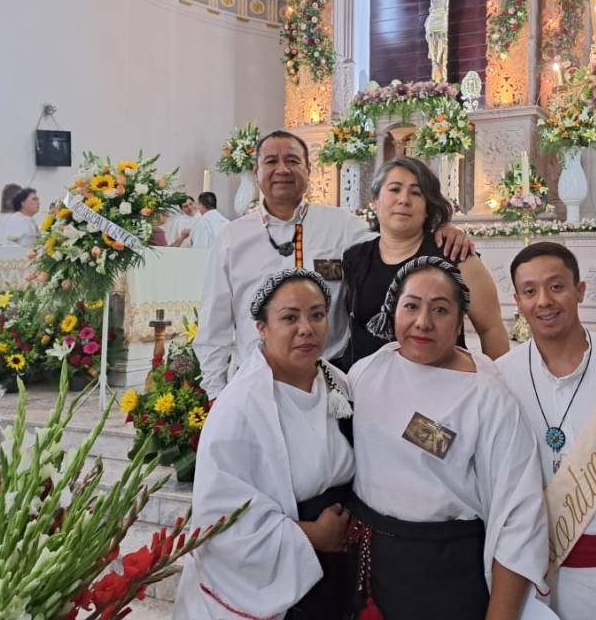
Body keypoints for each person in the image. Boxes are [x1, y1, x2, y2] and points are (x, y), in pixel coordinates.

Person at [195, 130, 473, 399]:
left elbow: (398, 239)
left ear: (308, 171)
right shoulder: (232, 237)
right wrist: (215, 392)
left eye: (292, 160)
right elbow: (214, 323)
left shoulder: (342, 226)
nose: (282, 169)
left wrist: (440, 229)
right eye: (271, 161)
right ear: (256, 171)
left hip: (329, 384)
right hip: (257, 382)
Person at [348, 256, 547, 620]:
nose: (423, 322)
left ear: (459, 320)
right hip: (370, 564)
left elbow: (519, 518)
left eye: (440, 310)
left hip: (445, 570)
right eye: (411, 306)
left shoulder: (486, 396)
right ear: (393, 310)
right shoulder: (368, 372)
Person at [174, 269, 355, 619]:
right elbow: (220, 518)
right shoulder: (239, 408)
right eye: (290, 318)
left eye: (317, 315)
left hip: (338, 573)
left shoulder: (339, 384)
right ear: (261, 328)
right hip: (283, 571)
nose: (306, 328)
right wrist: (312, 535)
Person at [495, 242, 596, 620]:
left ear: (580, 290)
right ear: (517, 301)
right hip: (529, 580)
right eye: (530, 291)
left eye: (556, 287)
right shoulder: (501, 377)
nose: (544, 301)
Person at [342, 157, 508, 367]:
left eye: (416, 193)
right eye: (394, 189)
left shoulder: (455, 254)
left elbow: (491, 329)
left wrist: (495, 381)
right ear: (375, 201)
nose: (404, 200)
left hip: (441, 379)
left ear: (427, 206)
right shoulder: (354, 257)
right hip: (367, 381)